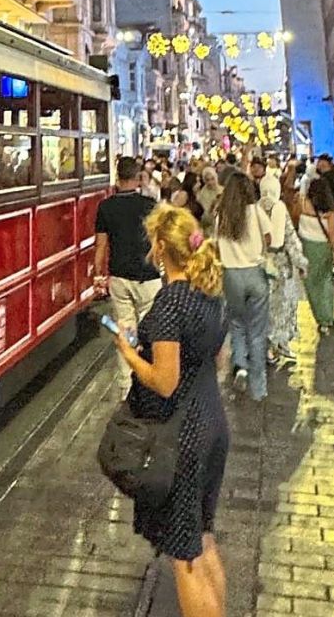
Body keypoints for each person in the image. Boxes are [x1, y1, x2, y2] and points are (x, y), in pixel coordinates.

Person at [113, 205, 228, 617]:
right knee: (204, 538)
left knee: (185, 557)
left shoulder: (169, 305)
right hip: (213, 421)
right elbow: (218, 361)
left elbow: (165, 381)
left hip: (182, 436)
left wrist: (129, 352)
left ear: (161, 248)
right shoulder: (211, 294)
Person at [95, 157, 161, 387]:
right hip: (149, 277)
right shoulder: (150, 204)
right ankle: (148, 380)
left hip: (119, 277)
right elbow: (158, 241)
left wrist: (97, 275)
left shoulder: (106, 206)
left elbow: (101, 245)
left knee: (125, 331)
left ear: (117, 176)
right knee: (150, 331)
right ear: (138, 177)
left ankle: (126, 385)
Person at [213, 172, 271, 400]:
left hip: (231, 275)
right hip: (255, 274)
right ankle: (258, 387)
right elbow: (269, 239)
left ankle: (241, 366)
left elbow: (217, 247)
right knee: (257, 331)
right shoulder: (256, 211)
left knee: (236, 323)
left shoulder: (222, 215)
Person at [262, 175, 305, 369]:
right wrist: (302, 262)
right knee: (284, 307)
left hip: (261, 266)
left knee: (266, 308)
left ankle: (268, 347)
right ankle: (279, 345)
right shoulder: (280, 209)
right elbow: (290, 238)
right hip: (281, 267)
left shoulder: (255, 209)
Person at [298, 178, 334, 335]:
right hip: (324, 247)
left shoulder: (302, 204)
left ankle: (321, 318)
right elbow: (332, 233)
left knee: (311, 284)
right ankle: (329, 315)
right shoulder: (331, 210)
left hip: (307, 247)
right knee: (326, 281)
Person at [195, 168, 221, 234]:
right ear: (204, 181)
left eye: (212, 179)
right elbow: (203, 218)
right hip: (208, 231)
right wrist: (212, 207)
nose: (210, 182)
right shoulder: (202, 195)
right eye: (207, 180)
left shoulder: (223, 190)